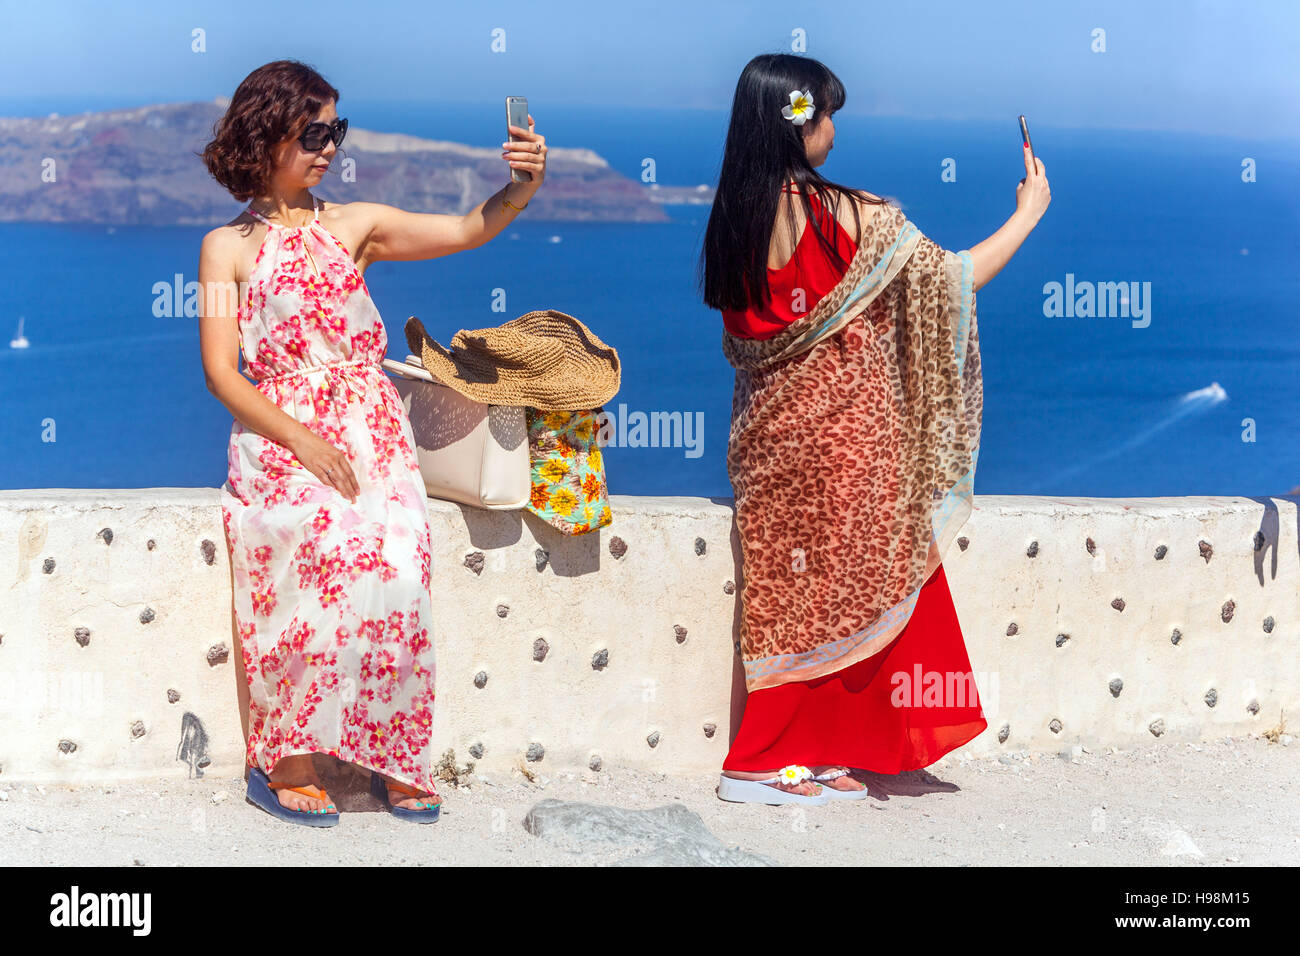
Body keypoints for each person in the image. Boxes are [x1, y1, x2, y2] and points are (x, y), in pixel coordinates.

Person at [196, 60, 547, 825]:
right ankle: (284, 756)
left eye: (336, 130)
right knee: (315, 540)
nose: (329, 146)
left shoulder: (354, 226)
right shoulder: (224, 250)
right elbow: (222, 373)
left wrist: (520, 187)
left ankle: (394, 756)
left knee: (398, 564)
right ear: (268, 135)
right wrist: (304, 443)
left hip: (373, 434)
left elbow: (465, 229)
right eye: (313, 132)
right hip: (282, 438)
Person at [699, 53, 1050, 805]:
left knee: (794, 597)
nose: (832, 127)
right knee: (862, 585)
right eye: (826, 114)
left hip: (769, 444)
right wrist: (1028, 213)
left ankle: (814, 752)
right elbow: (955, 280)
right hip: (846, 446)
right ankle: (757, 764)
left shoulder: (734, 216)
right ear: (801, 123)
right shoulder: (846, 216)